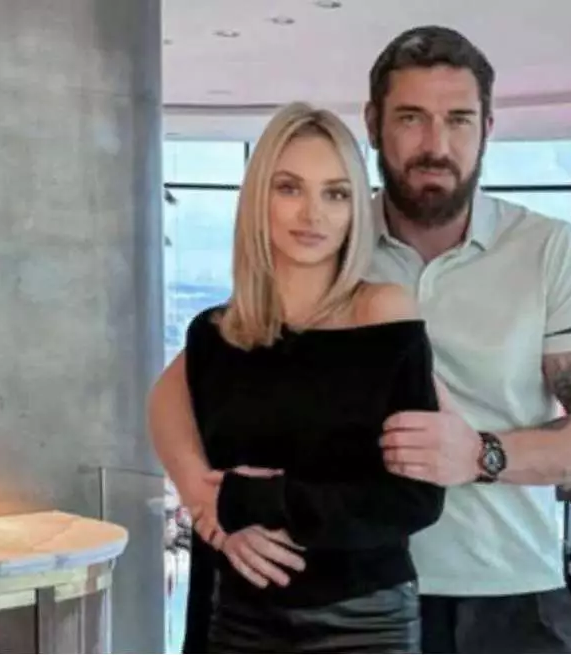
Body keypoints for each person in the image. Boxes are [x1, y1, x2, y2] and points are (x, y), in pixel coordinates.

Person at [150, 26, 571, 654]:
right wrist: (203, 499)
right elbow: (181, 387)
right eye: (411, 118)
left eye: (458, 119)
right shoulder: (327, 239)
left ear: (487, 127)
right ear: (374, 125)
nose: (436, 143)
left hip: (501, 591)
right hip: (336, 580)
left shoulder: (547, 250)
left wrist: (481, 454)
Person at [151, 101, 445, 653]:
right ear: (258, 199)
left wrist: (258, 500)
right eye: (289, 188)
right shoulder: (216, 334)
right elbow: (163, 410)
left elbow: (416, 499)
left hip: (363, 622)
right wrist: (210, 513)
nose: (313, 214)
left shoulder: (384, 313)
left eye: (336, 194)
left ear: (356, 209)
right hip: (236, 616)